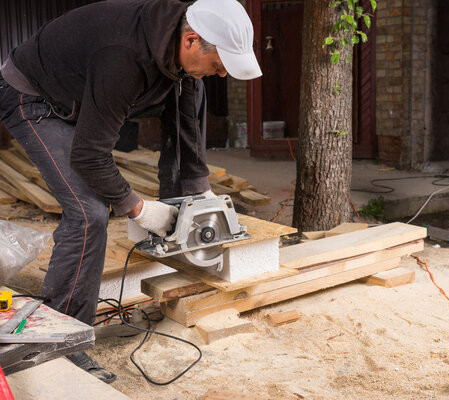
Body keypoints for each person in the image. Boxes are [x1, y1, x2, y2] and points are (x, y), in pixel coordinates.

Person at [0, 0, 261, 383]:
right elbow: (89, 155)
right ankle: (64, 342)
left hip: (83, 90)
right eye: (219, 63)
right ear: (191, 41)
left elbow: (185, 128)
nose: (222, 73)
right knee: (89, 213)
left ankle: (179, 210)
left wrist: (197, 196)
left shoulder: (180, 48)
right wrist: (137, 208)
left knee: (193, 91)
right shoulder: (123, 57)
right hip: (36, 98)